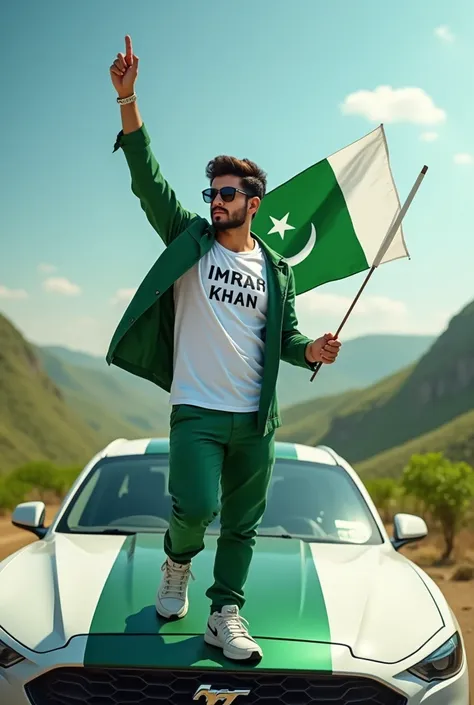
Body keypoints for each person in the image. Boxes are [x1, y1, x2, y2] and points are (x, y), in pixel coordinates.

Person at [108, 35, 341, 663]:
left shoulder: (277, 270)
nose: (216, 201)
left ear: (253, 203)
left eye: (227, 194)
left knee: (241, 523)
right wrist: (128, 101)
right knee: (196, 506)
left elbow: (285, 339)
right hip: (198, 411)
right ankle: (177, 563)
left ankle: (225, 613)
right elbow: (148, 182)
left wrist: (310, 349)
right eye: (211, 192)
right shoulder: (192, 241)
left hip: (255, 420)